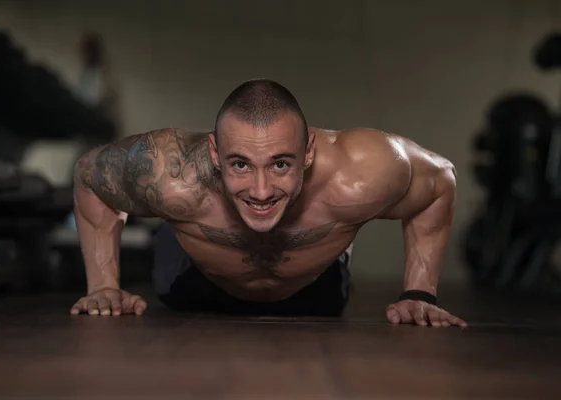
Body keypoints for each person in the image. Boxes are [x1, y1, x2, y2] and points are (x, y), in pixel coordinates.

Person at [70, 78, 467, 327]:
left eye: (280, 164)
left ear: (308, 152)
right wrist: (104, 286)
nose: (260, 191)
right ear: (214, 153)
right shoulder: (171, 174)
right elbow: (90, 174)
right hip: (191, 282)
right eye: (240, 164)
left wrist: (419, 294)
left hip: (315, 296)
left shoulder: (362, 173)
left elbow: (439, 182)